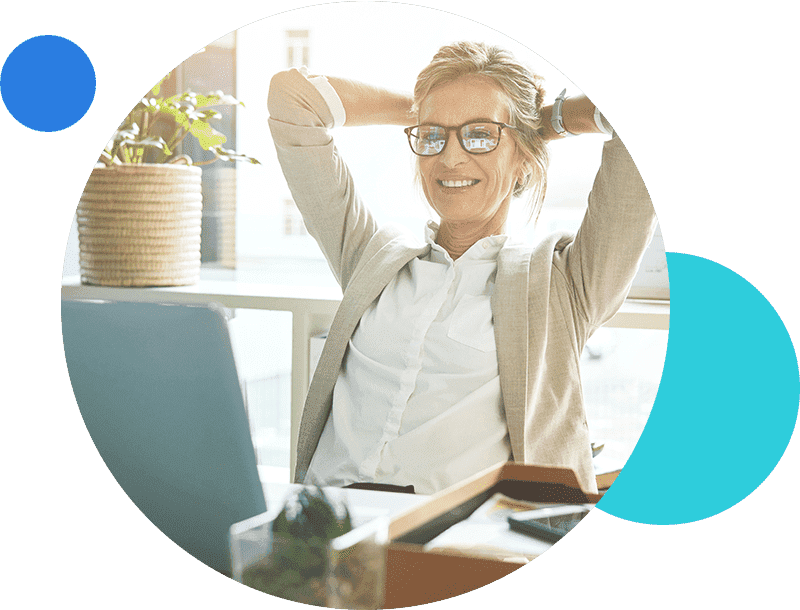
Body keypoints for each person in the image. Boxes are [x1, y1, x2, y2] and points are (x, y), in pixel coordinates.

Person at [267, 42, 656, 495]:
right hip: (322, 520)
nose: (450, 158)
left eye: (481, 135)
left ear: (523, 160)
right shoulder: (373, 259)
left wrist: (545, 122)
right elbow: (292, 99)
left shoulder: (565, 286)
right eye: (433, 137)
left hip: (454, 532)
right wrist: (425, 111)